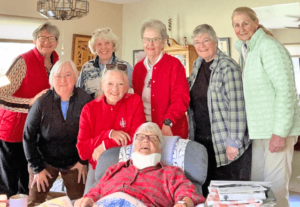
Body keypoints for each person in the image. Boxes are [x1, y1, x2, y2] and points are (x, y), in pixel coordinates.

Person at [232, 7, 300, 206]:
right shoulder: (249, 50)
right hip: (260, 132)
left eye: (245, 23)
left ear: (256, 22)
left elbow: (286, 91)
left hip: (277, 131)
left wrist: (279, 133)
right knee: (259, 190)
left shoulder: (268, 46)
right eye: (236, 24)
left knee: (275, 191)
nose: (241, 28)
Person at [74, 122, 205, 207]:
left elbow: (189, 194)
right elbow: (94, 193)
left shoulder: (170, 173)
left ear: (160, 148)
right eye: (140, 137)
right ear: (134, 145)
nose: (145, 141)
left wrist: (183, 203)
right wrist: (87, 201)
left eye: (152, 138)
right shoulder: (115, 169)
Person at [188, 24, 252, 197]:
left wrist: (234, 141)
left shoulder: (228, 67)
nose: (201, 45)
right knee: (209, 192)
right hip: (203, 141)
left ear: (215, 41)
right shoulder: (197, 64)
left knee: (230, 194)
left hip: (226, 144)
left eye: (206, 40)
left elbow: (237, 106)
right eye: (197, 42)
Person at [0, 22, 59, 197]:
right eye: (42, 38)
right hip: (13, 129)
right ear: (34, 41)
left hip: (36, 131)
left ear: (56, 42)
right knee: (9, 182)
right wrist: (30, 102)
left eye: (51, 38)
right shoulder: (22, 61)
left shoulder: (56, 61)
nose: (46, 42)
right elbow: (2, 95)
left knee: (28, 179)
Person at [23, 60, 92, 206]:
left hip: (75, 161)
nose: (63, 80)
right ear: (52, 79)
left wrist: (83, 161)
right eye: (58, 76)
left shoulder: (85, 99)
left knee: (80, 203)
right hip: (44, 161)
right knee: (35, 202)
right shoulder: (42, 102)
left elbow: (92, 132)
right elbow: (28, 137)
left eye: (68, 75)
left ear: (75, 77)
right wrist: (37, 169)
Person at [76, 63, 145, 193]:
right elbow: (83, 151)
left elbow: (137, 139)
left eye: (120, 84)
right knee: (88, 202)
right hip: (98, 167)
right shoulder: (89, 109)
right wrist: (107, 134)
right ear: (102, 85)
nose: (115, 89)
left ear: (127, 87)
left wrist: (105, 145)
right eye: (110, 84)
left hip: (126, 167)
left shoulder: (135, 101)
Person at [132, 19, 190, 138]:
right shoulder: (138, 68)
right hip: (145, 129)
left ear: (163, 42)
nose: (150, 44)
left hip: (169, 128)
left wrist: (168, 121)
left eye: (155, 39)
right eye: (147, 39)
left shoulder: (174, 65)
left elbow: (181, 99)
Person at [77, 27, 133, 99]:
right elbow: (79, 94)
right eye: (99, 44)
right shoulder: (86, 68)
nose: (103, 47)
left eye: (107, 43)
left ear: (113, 46)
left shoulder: (124, 67)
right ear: (94, 48)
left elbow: (135, 92)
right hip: (92, 109)